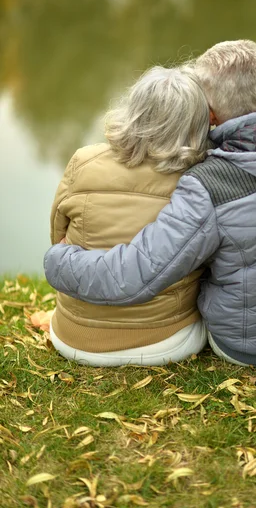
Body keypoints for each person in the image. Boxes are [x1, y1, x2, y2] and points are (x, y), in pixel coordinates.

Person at [45, 40, 256, 367]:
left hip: (252, 346)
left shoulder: (210, 183)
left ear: (209, 115)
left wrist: (59, 260)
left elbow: (136, 274)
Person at [47, 66, 210, 367]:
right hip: (163, 341)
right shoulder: (198, 183)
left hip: (71, 338)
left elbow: (57, 236)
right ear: (196, 126)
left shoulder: (83, 161)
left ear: (134, 110)